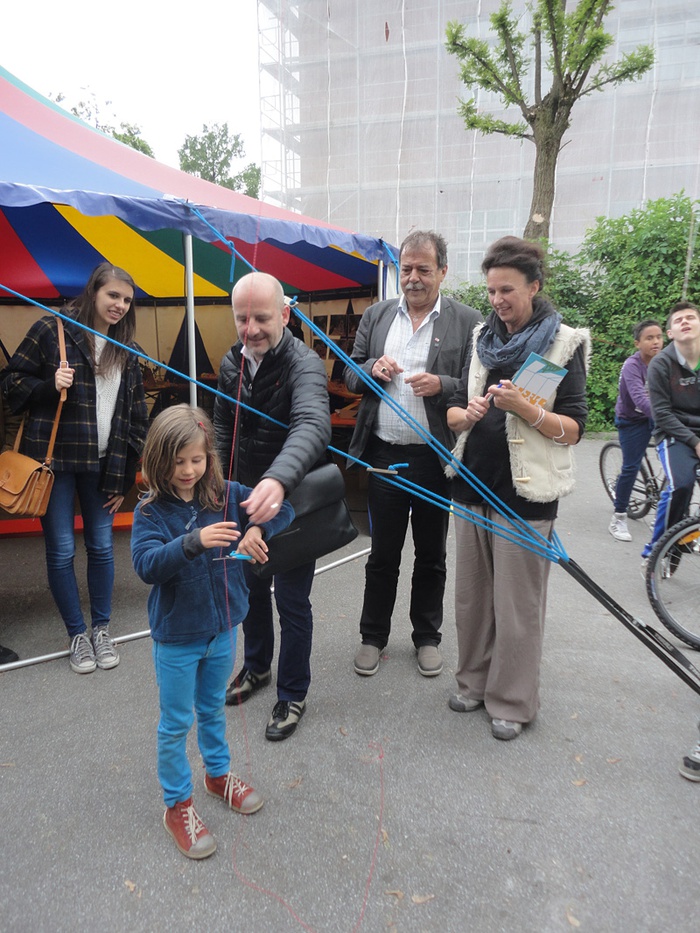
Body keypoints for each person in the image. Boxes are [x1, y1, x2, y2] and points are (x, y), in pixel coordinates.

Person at [131, 406, 294, 859]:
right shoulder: (149, 513)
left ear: (209, 458)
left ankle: (217, 775)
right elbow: (146, 566)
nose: (187, 471)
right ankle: (176, 805)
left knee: (212, 709)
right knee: (176, 723)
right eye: (177, 462)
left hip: (223, 631)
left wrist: (257, 526)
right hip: (177, 640)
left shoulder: (225, 494)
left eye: (196, 460)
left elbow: (285, 507)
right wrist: (192, 542)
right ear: (157, 462)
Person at [446, 236, 589, 740]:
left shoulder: (563, 343)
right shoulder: (482, 338)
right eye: (491, 290)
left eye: (507, 289)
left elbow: (574, 427)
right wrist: (466, 414)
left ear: (534, 286)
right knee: (471, 599)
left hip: (525, 495)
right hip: (470, 486)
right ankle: (472, 682)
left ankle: (511, 700)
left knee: (518, 606)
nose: (498, 300)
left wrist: (527, 411)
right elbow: (455, 413)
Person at [344, 230, 481, 678]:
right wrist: (371, 369)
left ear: (443, 271)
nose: (414, 278)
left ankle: (426, 637)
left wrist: (444, 386)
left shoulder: (466, 321)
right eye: (406, 269)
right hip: (384, 455)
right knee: (382, 553)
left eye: (424, 269)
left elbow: (477, 384)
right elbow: (349, 375)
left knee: (431, 554)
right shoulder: (377, 315)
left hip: (433, 458)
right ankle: (372, 636)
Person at [2, 263, 148, 674]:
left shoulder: (128, 349)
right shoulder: (53, 329)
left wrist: (123, 475)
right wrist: (48, 386)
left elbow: (138, 418)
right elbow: (10, 381)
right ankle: (77, 636)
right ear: (93, 292)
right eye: (113, 296)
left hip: (103, 465)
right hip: (56, 465)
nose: (119, 305)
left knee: (102, 548)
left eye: (126, 300)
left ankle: (101, 629)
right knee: (62, 550)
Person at [214, 272, 331, 741]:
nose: (250, 329)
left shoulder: (304, 364)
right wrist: (222, 490)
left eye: (261, 318)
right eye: (241, 318)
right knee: (250, 590)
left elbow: (312, 425)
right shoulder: (230, 363)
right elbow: (224, 429)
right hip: (244, 497)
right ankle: (257, 667)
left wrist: (278, 481)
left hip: (293, 497)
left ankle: (292, 692)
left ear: (284, 314)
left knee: (292, 598)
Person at [642, 302, 700, 561]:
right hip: (675, 433)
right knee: (680, 485)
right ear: (671, 333)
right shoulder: (661, 364)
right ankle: (656, 550)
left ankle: (688, 535)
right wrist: (694, 441)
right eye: (678, 320)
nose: (685, 322)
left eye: (691, 317)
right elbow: (662, 414)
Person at [608, 320, 664, 541]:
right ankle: (619, 517)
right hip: (632, 420)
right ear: (637, 343)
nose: (656, 342)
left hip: (659, 418)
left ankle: (667, 516)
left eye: (659, 337)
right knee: (631, 467)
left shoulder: (666, 362)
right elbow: (639, 399)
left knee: (677, 462)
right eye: (649, 338)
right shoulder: (632, 366)